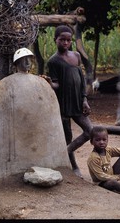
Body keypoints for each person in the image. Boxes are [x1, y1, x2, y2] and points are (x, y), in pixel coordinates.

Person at [42, 25, 92, 178]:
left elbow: (82, 79)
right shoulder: (53, 61)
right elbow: (57, 84)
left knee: (90, 131)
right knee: (67, 137)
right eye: (61, 40)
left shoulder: (76, 56)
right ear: (55, 40)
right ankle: (75, 167)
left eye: (68, 40)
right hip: (63, 104)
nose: (65, 43)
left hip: (77, 102)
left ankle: (65, 152)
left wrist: (84, 99)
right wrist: (50, 83)